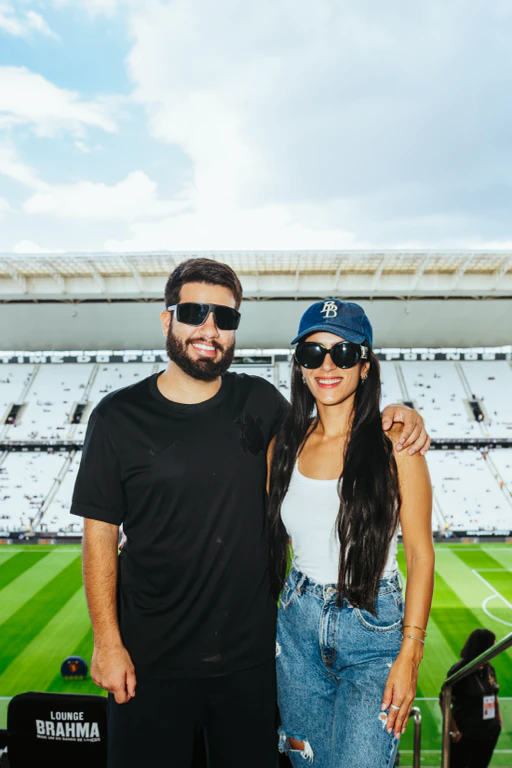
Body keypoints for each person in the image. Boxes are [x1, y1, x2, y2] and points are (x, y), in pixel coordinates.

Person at [70, 263, 430, 768]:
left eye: (224, 317)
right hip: (152, 661)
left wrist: (402, 414)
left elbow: (342, 434)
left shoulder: (260, 403)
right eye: (194, 312)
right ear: (166, 319)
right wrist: (107, 642)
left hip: (252, 663)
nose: (209, 328)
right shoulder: (116, 417)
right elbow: (99, 536)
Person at [267, 299, 435, 768]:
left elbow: (420, 554)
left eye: (342, 353)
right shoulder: (283, 446)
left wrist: (410, 654)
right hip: (297, 626)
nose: (327, 365)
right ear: (299, 366)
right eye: (312, 353)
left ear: (364, 366)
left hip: (373, 629)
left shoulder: (397, 444)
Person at [440, 629, 502, 768]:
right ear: (483, 647)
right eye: (493, 645)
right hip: (466, 734)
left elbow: (494, 693)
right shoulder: (460, 670)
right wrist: (454, 731)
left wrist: (498, 721)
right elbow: (443, 701)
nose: (496, 648)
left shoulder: (488, 668)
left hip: (489, 733)